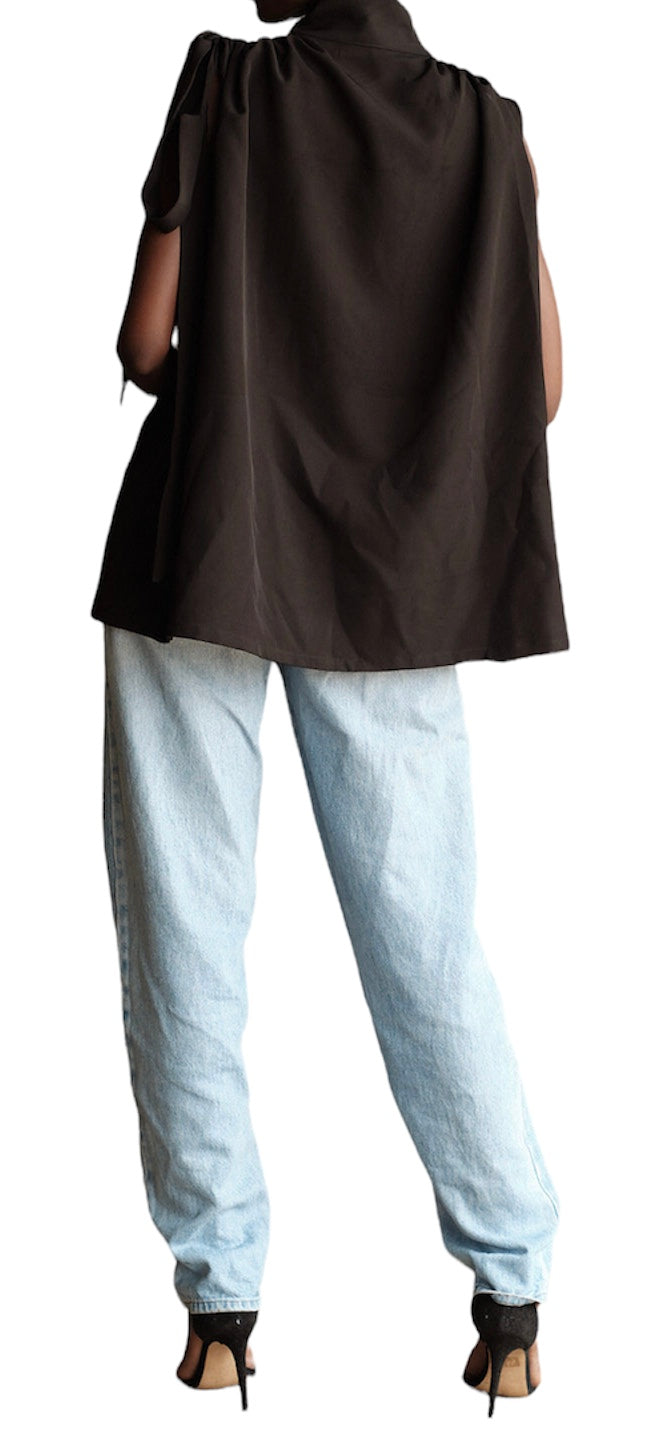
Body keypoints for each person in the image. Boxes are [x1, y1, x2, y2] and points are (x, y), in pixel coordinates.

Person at [93, 0, 568, 1415]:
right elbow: (541, 391)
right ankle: (512, 1295)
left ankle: (220, 1309)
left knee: (184, 918)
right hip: (388, 574)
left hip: (203, 543)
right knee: (425, 929)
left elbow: (144, 339)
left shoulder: (226, 85)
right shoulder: (485, 125)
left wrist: (249, 404)